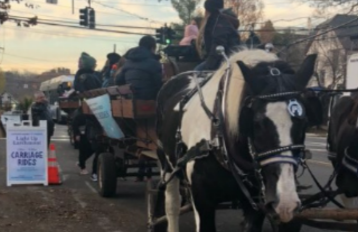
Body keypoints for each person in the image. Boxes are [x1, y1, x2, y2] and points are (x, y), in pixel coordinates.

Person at [194, 0, 241, 71]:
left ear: (208, 9)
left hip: (225, 60)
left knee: (197, 71)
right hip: (230, 57)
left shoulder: (219, 21)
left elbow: (218, 44)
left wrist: (209, 65)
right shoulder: (223, 20)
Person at [115, 35, 163, 100]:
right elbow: (158, 83)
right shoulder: (154, 63)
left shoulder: (128, 62)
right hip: (149, 99)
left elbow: (118, 81)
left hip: (130, 99)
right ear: (152, 48)